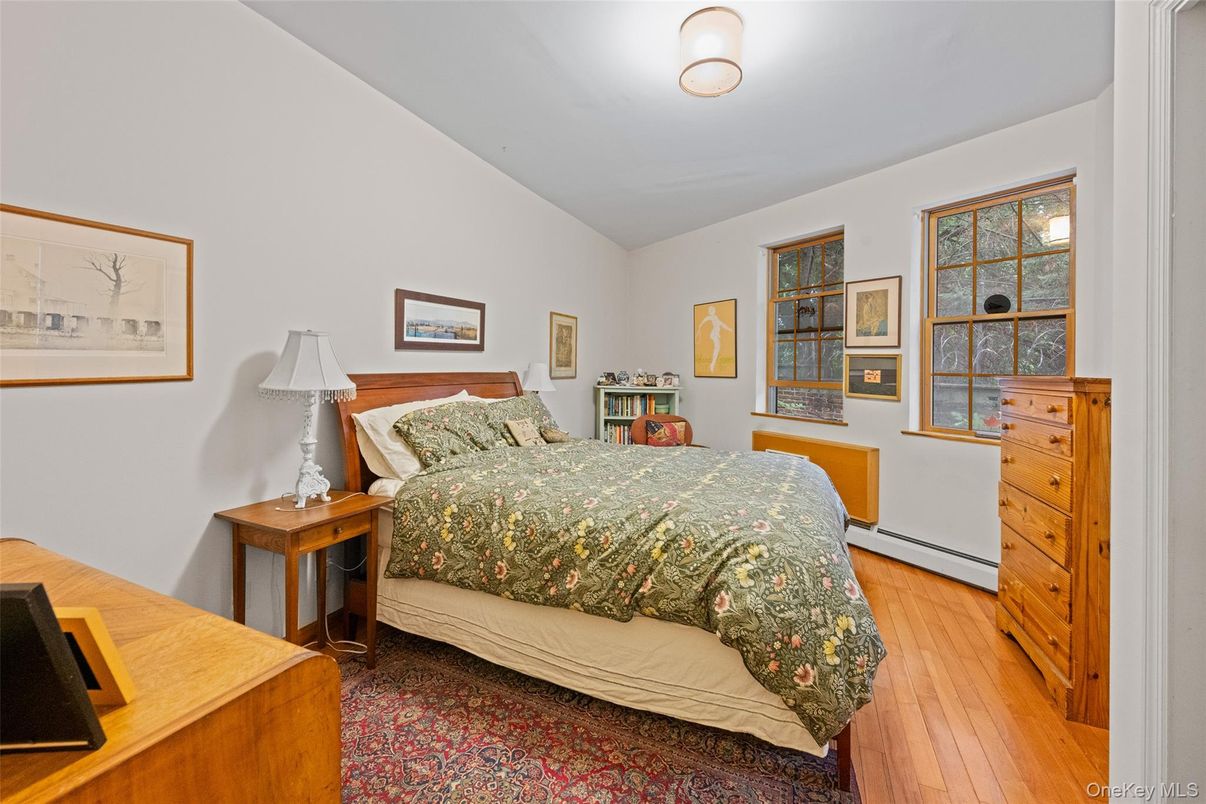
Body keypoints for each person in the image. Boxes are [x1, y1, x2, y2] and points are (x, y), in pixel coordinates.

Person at [696, 304, 733, 373]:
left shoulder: (716, 317)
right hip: (714, 334)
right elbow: (703, 321)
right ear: (709, 312)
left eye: (712, 310)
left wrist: (730, 329)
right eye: (710, 310)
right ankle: (712, 363)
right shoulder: (710, 317)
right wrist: (699, 327)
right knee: (717, 348)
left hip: (716, 334)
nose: (711, 311)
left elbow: (722, 324)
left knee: (717, 348)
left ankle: (713, 363)